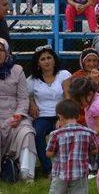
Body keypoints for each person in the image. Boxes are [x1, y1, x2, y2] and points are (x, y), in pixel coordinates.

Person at [0, 38, 37, 185]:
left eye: (1, 50)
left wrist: (19, 115)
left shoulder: (17, 70)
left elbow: (23, 97)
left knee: (27, 132)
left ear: (7, 52)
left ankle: (26, 173)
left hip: (16, 114)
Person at [26, 45, 71, 176]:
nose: (46, 61)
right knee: (37, 133)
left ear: (54, 60)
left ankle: (67, 166)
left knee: (65, 131)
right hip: (43, 116)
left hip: (61, 114)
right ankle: (49, 169)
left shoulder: (63, 75)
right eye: (43, 59)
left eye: (49, 58)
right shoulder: (32, 80)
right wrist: (32, 103)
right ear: (38, 63)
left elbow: (68, 97)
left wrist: (63, 117)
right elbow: (26, 95)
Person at [46, 99, 97, 194]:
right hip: (80, 172)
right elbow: (94, 151)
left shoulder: (56, 134)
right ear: (78, 116)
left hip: (60, 173)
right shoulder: (88, 133)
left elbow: (49, 153)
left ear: (59, 117)